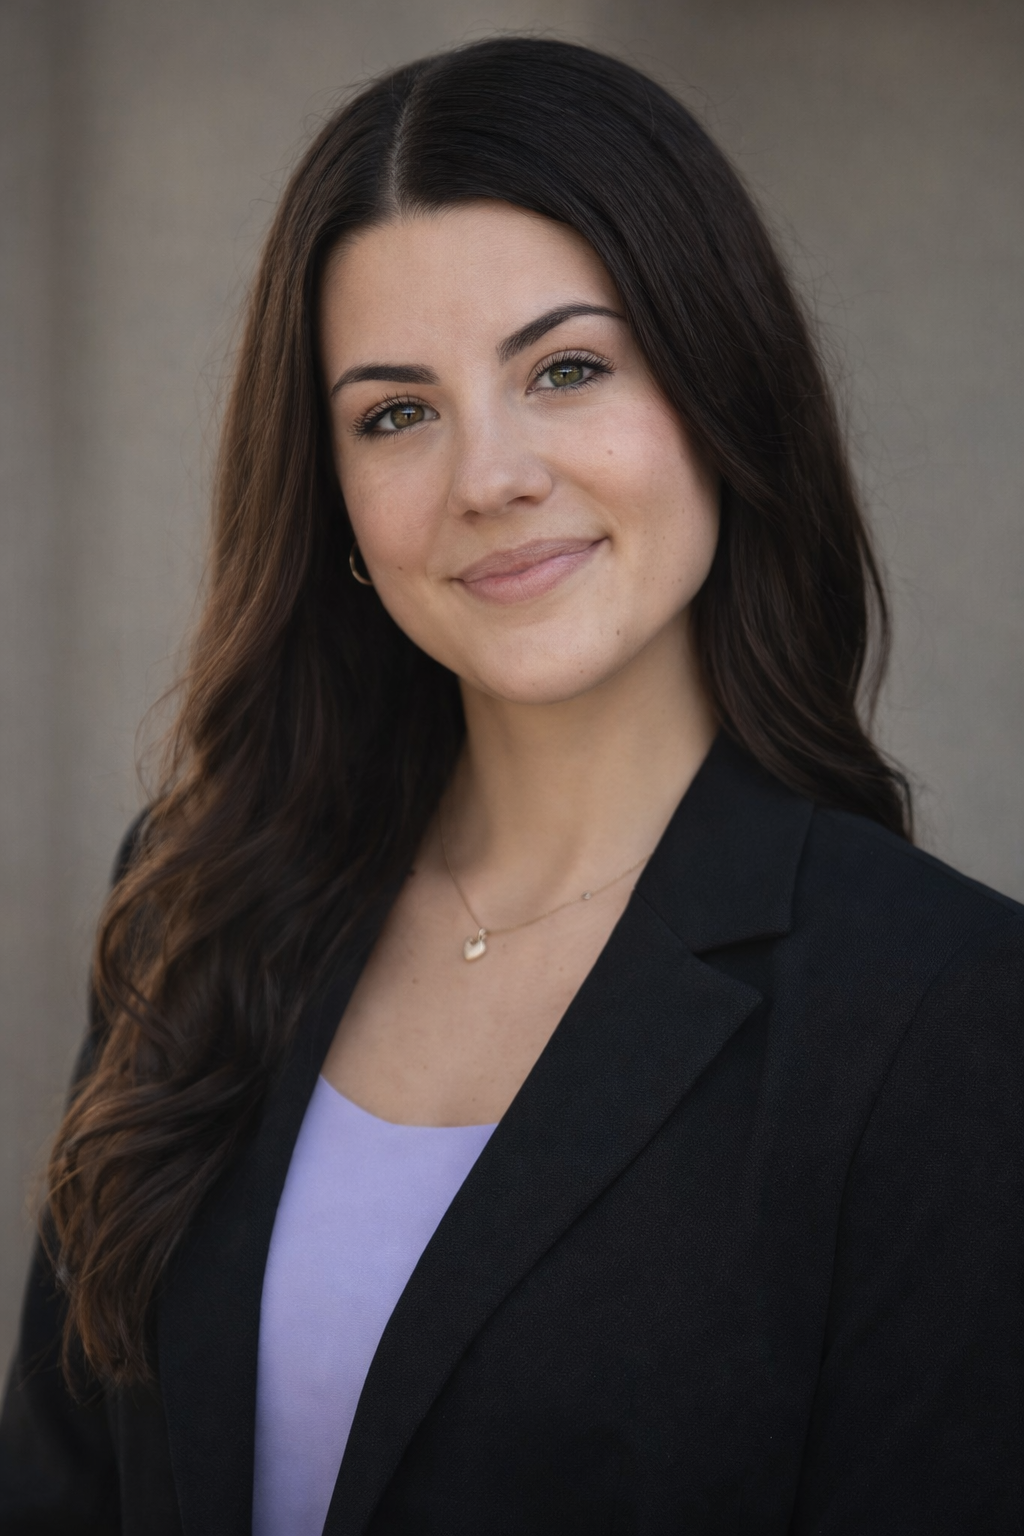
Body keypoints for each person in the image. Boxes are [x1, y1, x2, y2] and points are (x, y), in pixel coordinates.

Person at [0, 35, 1020, 1536]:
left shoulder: (942, 1009)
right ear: (336, 498)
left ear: (719, 396)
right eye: (396, 412)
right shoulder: (202, 894)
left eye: (568, 369)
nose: (489, 476)